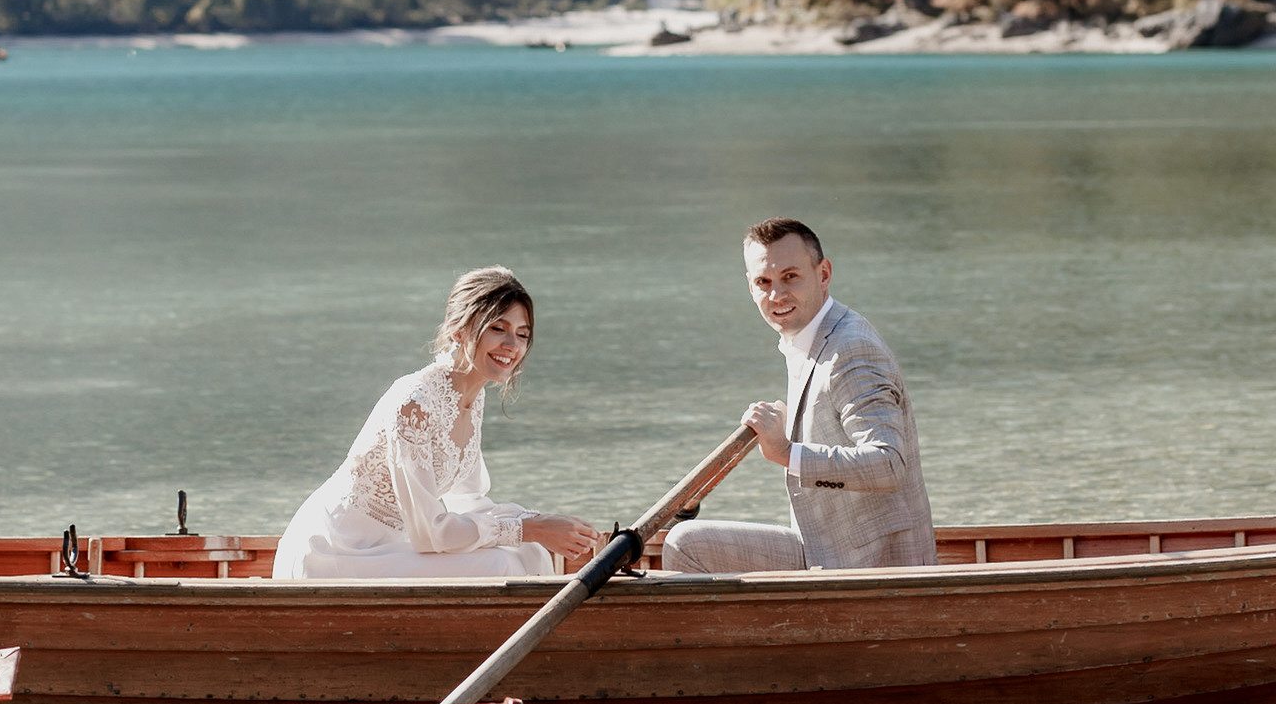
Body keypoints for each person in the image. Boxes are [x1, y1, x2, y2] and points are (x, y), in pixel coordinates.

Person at [271, 267, 601, 579]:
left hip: (395, 546)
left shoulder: (471, 397)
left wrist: (541, 524)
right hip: (336, 553)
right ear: (460, 331)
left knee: (530, 552)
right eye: (498, 329)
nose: (512, 346)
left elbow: (469, 502)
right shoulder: (415, 401)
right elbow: (429, 532)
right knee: (502, 564)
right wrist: (531, 528)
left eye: (522, 334)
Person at [660, 218, 935, 572]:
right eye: (764, 282)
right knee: (687, 536)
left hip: (872, 567)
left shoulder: (851, 350)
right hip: (826, 549)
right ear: (750, 287)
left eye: (790, 277)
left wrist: (787, 452)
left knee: (685, 545)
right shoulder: (809, 337)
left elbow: (888, 465)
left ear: (823, 274)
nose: (777, 295)